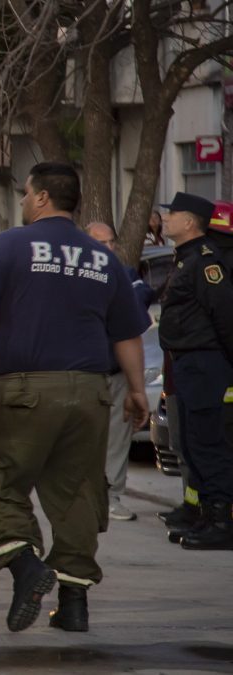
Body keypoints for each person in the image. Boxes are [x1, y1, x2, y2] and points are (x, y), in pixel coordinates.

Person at [0, 162, 150, 634]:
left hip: (19, 389)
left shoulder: (9, 246)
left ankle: (25, 566)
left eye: (23, 194)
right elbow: (128, 334)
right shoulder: (104, 260)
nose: (21, 202)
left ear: (39, 198)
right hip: (89, 393)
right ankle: (74, 605)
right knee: (79, 492)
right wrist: (137, 392)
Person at [156, 192, 233, 550]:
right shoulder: (185, 258)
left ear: (190, 223)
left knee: (207, 443)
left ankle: (222, 520)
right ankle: (204, 514)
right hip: (187, 362)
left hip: (204, 361)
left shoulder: (206, 263)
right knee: (190, 441)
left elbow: (225, 316)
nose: (165, 219)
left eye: (172, 214)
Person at [85, 222, 157, 522]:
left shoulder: (124, 275)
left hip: (114, 373)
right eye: (99, 242)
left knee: (116, 439)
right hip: (82, 374)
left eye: (110, 242)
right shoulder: (75, 278)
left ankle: (111, 496)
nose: (107, 248)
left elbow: (140, 303)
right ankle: (82, 498)